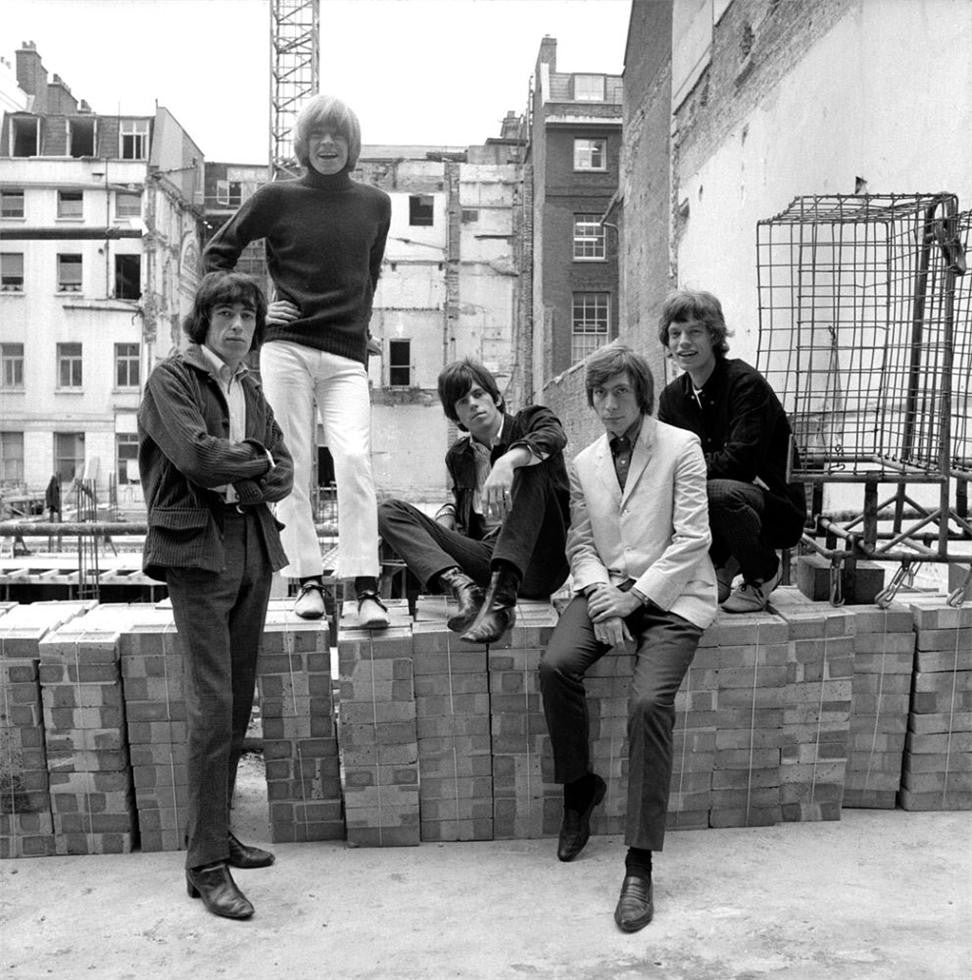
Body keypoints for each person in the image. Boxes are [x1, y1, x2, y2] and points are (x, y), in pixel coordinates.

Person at [539, 344, 717, 933]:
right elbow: (580, 543)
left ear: (642, 393)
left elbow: (693, 539)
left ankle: (638, 864)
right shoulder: (585, 460)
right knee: (556, 666)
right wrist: (600, 596)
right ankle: (580, 791)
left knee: (648, 703)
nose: (610, 405)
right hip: (606, 589)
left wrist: (634, 599)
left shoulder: (679, 446)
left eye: (621, 392)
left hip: (673, 593)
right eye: (600, 394)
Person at [138, 271, 294, 920]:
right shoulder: (171, 381)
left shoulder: (250, 388)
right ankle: (204, 866)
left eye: (248, 317)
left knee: (234, 709)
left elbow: (284, 470)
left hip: (250, 545)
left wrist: (250, 464)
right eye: (224, 314)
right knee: (212, 706)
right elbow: (199, 460)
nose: (237, 326)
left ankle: (217, 835)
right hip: (197, 552)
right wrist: (253, 461)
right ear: (201, 322)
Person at [204, 94, 391, 628]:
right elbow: (219, 253)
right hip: (286, 347)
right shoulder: (276, 197)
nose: (327, 145)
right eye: (317, 136)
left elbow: (367, 275)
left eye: (337, 136)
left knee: (353, 459)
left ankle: (364, 588)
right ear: (304, 145)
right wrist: (256, 313)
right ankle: (308, 580)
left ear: (351, 145)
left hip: (346, 353)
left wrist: (361, 325)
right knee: (294, 462)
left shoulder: (376, 204)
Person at [377, 358, 570, 644]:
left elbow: (553, 436)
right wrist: (444, 520)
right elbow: (462, 503)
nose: (473, 404)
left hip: (541, 560)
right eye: (462, 401)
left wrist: (508, 462)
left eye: (479, 394)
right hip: (488, 560)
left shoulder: (531, 422)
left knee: (532, 462)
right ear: (455, 417)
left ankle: (502, 605)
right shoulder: (458, 456)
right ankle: (465, 589)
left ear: (497, 398)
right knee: (387, 511)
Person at [656, 289, 806, 612]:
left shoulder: (744, 384)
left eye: (695, 331)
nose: (684, 342)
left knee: (716, 492)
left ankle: (764, 572)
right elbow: (665, 464)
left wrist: (683, 468)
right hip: (718, 507)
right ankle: (718, 568)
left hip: (774, 507)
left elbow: (739, 463)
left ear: (714, 336)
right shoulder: (671, 399)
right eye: (675, 333)